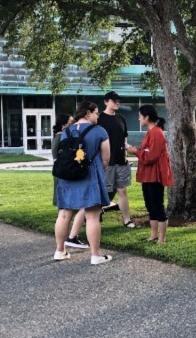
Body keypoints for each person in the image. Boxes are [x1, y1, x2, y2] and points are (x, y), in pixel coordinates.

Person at [53, 100, 113, 265]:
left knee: (64, 214)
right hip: (89, 175)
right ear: (88, 113)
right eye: (96, 112)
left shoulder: (67, 131)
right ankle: (95, 255)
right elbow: (106, 159)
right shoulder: (100, 131)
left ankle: (59, 250)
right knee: (92, 216)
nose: (97, 115)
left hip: (67, 176)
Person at [126, 105, 173, 244]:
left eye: (140, 116)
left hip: (155, 175)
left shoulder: (157, 133)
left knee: (157, 206)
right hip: (147, 175)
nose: (138, 118)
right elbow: (147, 151)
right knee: (150, 205)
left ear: (147, 117)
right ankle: (153, 235)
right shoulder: (151, 132)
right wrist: (138, 150)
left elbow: (151, 156)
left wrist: (135, 151)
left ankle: (162, 238)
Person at [97, 91, 136, 228]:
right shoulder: (99, 118)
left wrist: (127, 154)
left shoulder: (121, 118)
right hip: (106, 162)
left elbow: (124, 139)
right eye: (114, 100)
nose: (117, 103)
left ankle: (127, 220)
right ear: (106, 102)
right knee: (104, 191)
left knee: (122, 190)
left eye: (118, 100)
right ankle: (94, 214)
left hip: (121, 161)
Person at [52, 113, 87, 249]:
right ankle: (68, 238)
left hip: (63, 172)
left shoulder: (62, 136)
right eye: (71, 122)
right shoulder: (61, 137)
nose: (74, 124)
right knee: (65, 208)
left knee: (66, 209)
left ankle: (61, 246)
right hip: (64, 173)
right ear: (64, 124)